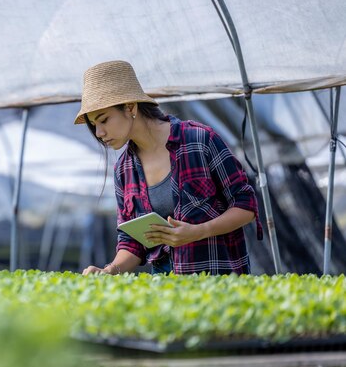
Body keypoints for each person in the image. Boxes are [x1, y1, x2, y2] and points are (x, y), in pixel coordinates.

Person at [77, 61, 262, 275]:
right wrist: (110, 270)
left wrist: (200, 231)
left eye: (104, 120)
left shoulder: (199, 140)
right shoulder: (123, 170)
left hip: (218, 280)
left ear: (130, 107)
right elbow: (131, 242)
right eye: (94, 125)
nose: (99, 132)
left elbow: (246, 205)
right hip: (166, 290)